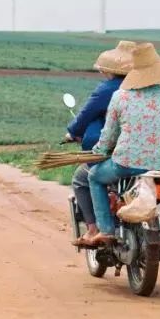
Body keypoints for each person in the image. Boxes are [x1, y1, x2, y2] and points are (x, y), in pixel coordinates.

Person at [80, 42, 160, 247]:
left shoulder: (120, 97)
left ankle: (106, 230)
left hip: (124, 163)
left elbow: (109, 135)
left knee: (94, 177)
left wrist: (99, 151)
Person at [65, 41, 134, 245]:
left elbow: (87, 116)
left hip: (115, 151)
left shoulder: (109, 90)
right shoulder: (147, 89)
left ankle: (96, 229)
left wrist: (72, 132)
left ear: (108, 70)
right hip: (152, 156)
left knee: (83, 178)